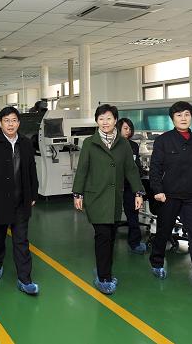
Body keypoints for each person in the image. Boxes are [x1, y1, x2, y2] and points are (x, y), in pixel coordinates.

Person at [72, 104, 145, 295]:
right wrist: (78, 194)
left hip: (115, 198)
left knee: (110, 236)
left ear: (115, 121)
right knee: (103, 236)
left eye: (109, 118)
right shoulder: (89, 143)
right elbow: (82, 169)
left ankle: (102, 268)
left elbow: (131, 170)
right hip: (96, 197)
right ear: (97, 121)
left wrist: (138, 192)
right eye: (101, 118)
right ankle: (104, 278)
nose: (105, 122)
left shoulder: (123, 144)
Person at [148, 101, 192, 300]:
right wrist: (158, 190)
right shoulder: (163, 141)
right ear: (172, 119)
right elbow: (155, 168)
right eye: (179, 115)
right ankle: (157, 262)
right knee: (163, 231)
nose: (183, 118)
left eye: (187, 114)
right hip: (169, 195)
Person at [0, 106, 40, 295]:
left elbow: (31, 170)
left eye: (14, 120)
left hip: (21, 200)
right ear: (0, 123)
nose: (11, 124)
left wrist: (33, 194)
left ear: (19, 123)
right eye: (6, 121)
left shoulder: (25, 143)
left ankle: (25, 279)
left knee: (21, 241)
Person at [116, 117, 147, 255]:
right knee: (112, 214)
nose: (128, 131)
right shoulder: (112, 145)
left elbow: (137, 164)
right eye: (125, 128)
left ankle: (135, 243)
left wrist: (139, 172)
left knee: (133, 214)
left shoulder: (134, 145)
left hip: (130, 185)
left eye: (130, 128)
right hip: (115, 185)